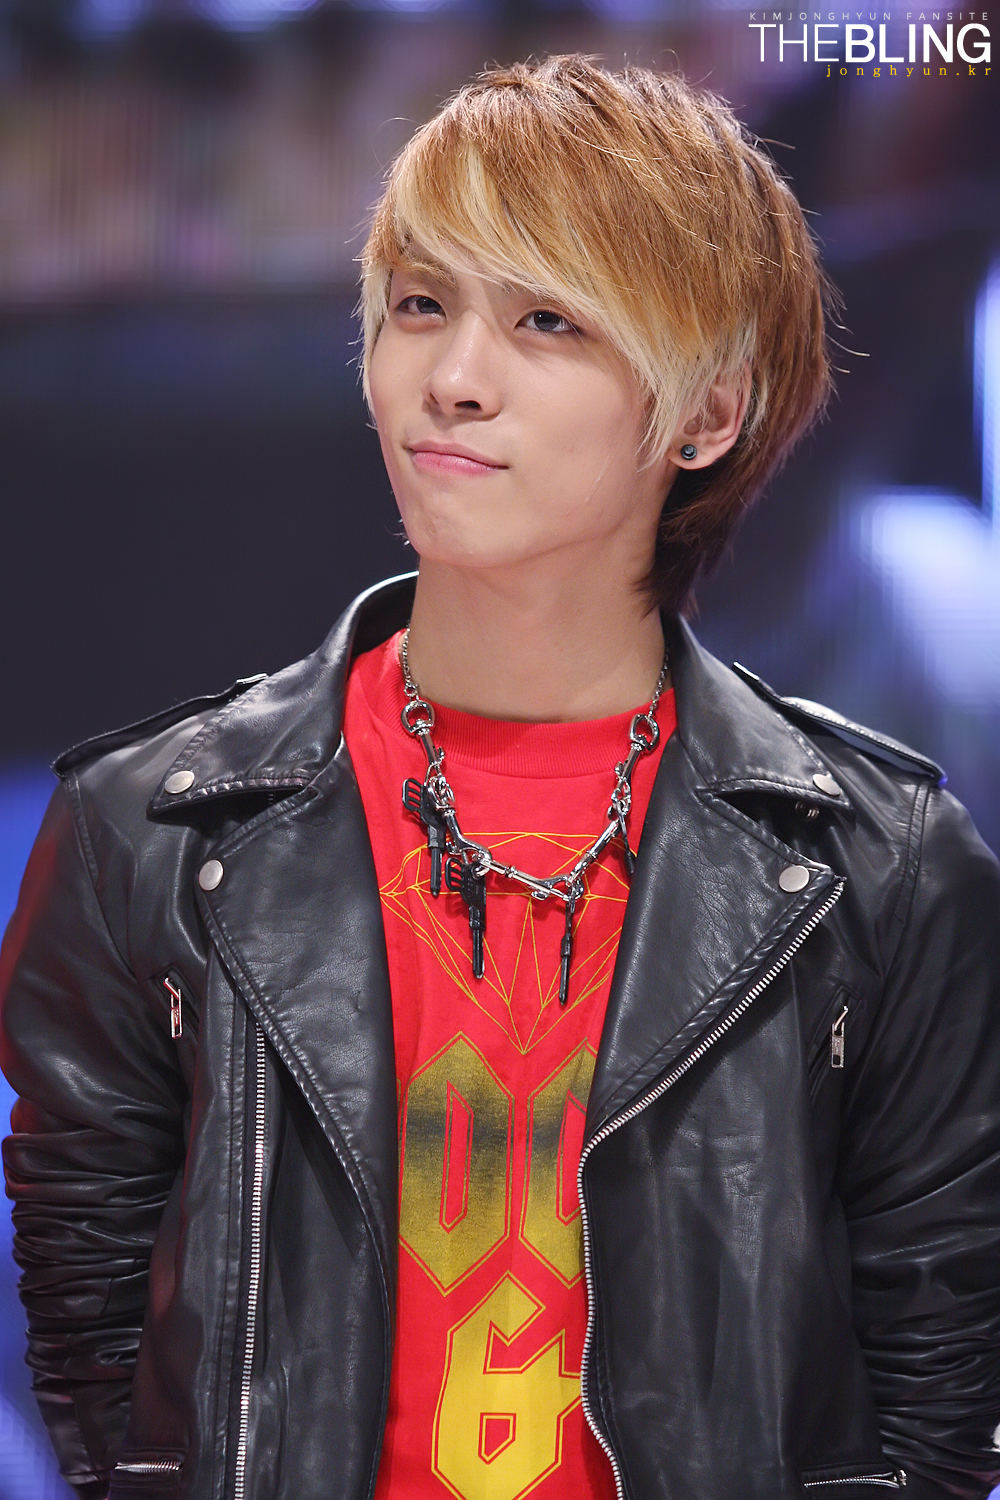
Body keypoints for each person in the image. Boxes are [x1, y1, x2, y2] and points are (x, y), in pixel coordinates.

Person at [2, 54, 999, 1500]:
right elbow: (87, 1321)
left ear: (713, 410)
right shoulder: (145, 830)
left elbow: (934, 1346)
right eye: (420, 306)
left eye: (549, 320)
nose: (456, 381)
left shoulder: (893, 842)